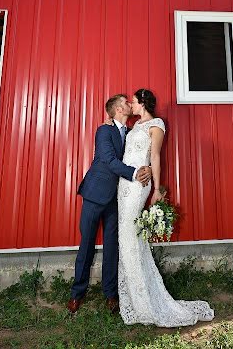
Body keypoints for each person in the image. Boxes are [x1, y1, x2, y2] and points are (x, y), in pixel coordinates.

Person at [116, 88, 214, 326]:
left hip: (140, 184)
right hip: (123, 184)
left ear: (143, 103)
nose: (131, 105)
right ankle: (132, 295)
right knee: (126, 237)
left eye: (134, 102)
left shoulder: (156, 124)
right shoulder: (133, 127)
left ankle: (145, 302)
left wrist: (157, 189)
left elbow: (156, 156)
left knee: (130, 235)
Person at [67, 94, 152, 314]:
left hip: (116, 199)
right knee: (86, 246)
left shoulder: (131, 132)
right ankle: (77, 294)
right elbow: (109, 160)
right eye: (125, 102)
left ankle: (111, 294)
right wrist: (135, 173)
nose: (128, 104)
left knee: (112, 247)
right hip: (95, 195)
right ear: (117, 110)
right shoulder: (104, 130)